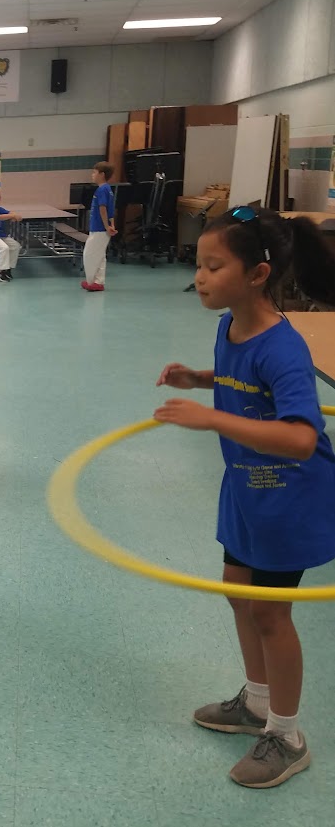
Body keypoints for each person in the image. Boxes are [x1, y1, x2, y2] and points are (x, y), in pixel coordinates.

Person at [155, 206, 335, 788]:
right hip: (246, 491)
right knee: (239, 596)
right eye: (198, 264)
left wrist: (212, 419)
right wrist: (200, 379)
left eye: (213, 265)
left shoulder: (283, 347)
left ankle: (286, 734)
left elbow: (302, 438)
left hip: (288, 498)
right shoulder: (231, 324)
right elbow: (239, 380)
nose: (200, 276)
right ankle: (256, 702)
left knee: (269, 612)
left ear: (257, 275)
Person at [82, 162, 117, 292]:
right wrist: (111, 224)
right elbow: (111, 210)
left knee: (89, 254)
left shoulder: (102, 190)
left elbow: (103, 209)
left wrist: (107, 226)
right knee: (100, 255)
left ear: (102, 174)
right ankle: (98, 281)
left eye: (94, 172)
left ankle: (91, 281)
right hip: (102, 228)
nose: (92, 175)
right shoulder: (108, 189)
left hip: (99, 228)